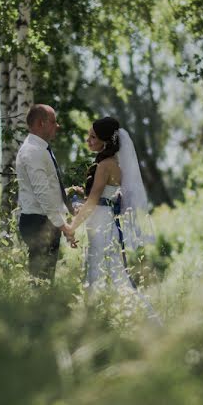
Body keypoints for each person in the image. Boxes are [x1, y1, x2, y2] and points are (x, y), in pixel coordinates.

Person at [68, 117, 159, 320]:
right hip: (103, 219)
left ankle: (102, 316)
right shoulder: (112, 164)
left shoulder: (105, 166)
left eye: (93, 136)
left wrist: (71, 226)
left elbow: (93, 201)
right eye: (88, 135)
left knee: (105, 271)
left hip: (101, 222)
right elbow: (102, 198)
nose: (88, 140)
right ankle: (104, 316)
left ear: (106, 141)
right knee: (109, 269)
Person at [15, 104, 75, 282]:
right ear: (41, 123)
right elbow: (42, 193)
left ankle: (41, 308)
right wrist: (63, 225)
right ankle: (37, 309)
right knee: (40, 281)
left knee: (45, 279)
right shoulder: (32, 151)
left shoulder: (41, 149)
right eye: (53, 121)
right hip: (38, 222)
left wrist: (67, 199)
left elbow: (47, 188)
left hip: (44, 220)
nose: (57, 126)